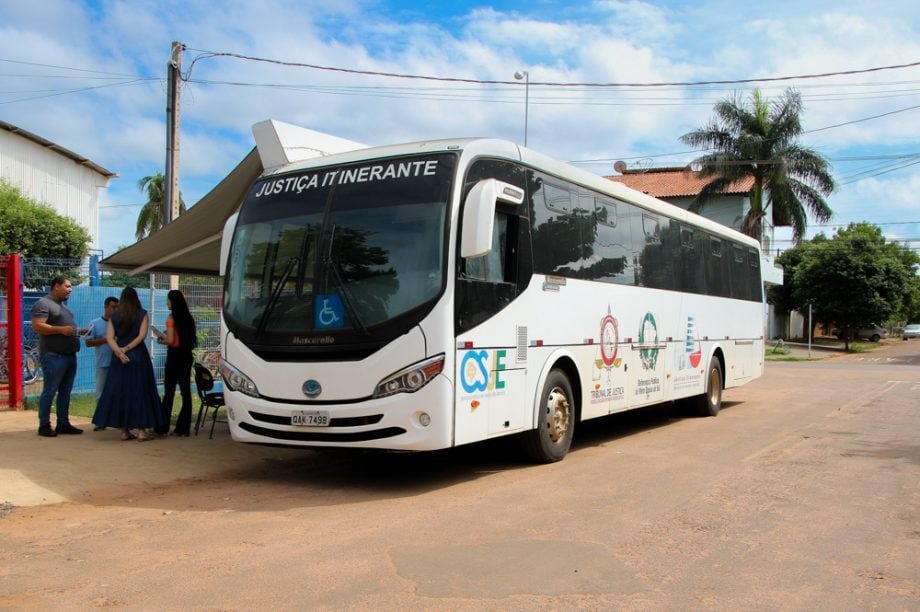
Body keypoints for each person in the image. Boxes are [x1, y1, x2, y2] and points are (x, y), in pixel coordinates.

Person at [92, 287, 165, 441]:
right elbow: (141, 336)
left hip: (119, 359)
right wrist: (127, 349)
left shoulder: (114, 316)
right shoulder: (142, 314)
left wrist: (119, 352)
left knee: (121, 391)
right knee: (141, 391)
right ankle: (141, 430)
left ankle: (124, 431)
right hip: (138, 355)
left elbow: (110, 338)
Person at [31, 276, 86, 437]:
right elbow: (37, 326)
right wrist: (61, 330)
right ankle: (44, 425)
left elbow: (64, 328)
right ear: (56, 286)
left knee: (65, 392)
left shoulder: (63, 307)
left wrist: (78, 331)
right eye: (67, 286)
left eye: (71, 287)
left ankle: (63, 424)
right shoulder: (43, 303)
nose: (70, 289)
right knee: (50, 391)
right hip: (53, 356)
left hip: (69, 355)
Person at [155, 289, 197, 436]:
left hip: (173, 358)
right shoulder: (188, 318)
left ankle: (162, 426)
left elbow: (171, 340)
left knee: (169, 392)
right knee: (186, 392)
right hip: (186, 357)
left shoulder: (171, 318)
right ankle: (183, 427)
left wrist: (161, 339)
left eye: (168, 300)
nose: (167, 303)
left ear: (172, 302)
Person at [85, 296, 118, 431]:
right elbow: (88, 342)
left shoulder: (119, 323)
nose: (115, 310)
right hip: (103, 363)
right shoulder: (95, 323)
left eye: (117, 307)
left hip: (117, 363)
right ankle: (100, 421)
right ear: (105, 307)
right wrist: (105, 340)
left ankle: (117, 419)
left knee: (117, 392)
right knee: (100, 393)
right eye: (113, 307)